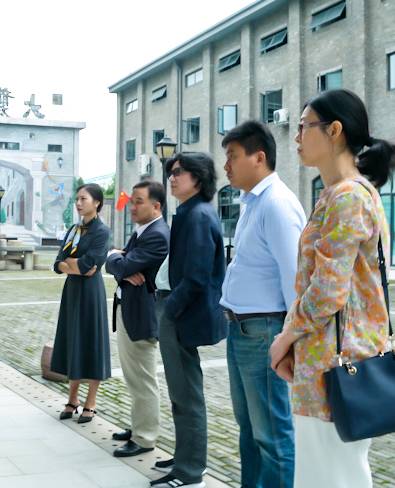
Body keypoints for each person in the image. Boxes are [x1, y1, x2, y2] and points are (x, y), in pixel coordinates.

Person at [269, 88, 395, 488]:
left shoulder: (347, 196)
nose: (296, 136)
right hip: (331, 361)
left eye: (304, 126)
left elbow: (328, 290)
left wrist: (284, 338)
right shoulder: (340, 194)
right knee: (328, 474)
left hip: (337, 366)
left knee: (332, 476)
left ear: (334, 131)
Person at [220, 120, 306, 488]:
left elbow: (295, 278)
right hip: (242, 327)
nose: (226, 165)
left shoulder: (276, 203)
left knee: (272, 434)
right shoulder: (253, 202)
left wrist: (290, 340)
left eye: (232, 156)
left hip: (264, 329)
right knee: (250, 429)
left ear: (259, 158)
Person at [152, 152, 227, 488]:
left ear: (198, 177)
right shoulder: (191, 212)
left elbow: (197, 276)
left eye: (178, 171)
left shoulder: (198, 215)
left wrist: (170, 310)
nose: (171, 177)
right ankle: (186, 457)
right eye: (170, 171)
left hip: (181, 315)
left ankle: (190, 472)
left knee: (186, 395)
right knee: (181, 393)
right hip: (178, 312)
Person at [105, 180, 170, 458]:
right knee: (135, 378)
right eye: (131, 201)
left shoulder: (157, 234)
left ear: (156, 206)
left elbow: (124, 265)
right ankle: (138, 426)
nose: (132, 207)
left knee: (143, 379)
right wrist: (117, 261)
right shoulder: (143, 231)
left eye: (139, 201)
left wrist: (116, 259)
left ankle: (144, 437)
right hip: (130, 310)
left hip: (142, 316)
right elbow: (120, 266)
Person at [51, 183, 111, 424]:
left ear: (96, 202)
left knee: (91, 342)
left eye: (83, 199)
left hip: (91, 293)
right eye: (76, 199)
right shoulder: (74, 229)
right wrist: (73, 265)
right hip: (72, 290)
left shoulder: (101, 231)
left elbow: (89, 265)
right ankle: (72, 399)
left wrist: (71, 264)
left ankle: (91, 402)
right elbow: (57, 263)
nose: (78, 203)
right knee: (72, 340)